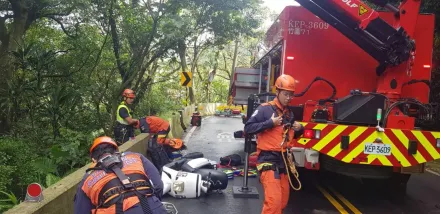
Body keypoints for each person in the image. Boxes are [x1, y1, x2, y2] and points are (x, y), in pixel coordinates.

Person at [244, 74, 304, 214]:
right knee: (274, 202)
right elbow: (248, 128)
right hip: (268, 159)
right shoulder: (264, 109)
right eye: (285, 94)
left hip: (283, 160)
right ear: (277, 92)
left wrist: (300, 129)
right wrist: (270, 123)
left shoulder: (289, 114)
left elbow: (290, 136)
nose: (288, 98)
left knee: (282, 201)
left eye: (291, 95)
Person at [74, 136, 167, 214]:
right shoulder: (136, 157)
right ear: (116, 151)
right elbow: (158, 185)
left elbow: (81, 211)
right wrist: (153, 201)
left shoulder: (87, 179)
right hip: (152, 209)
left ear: (94, 160)